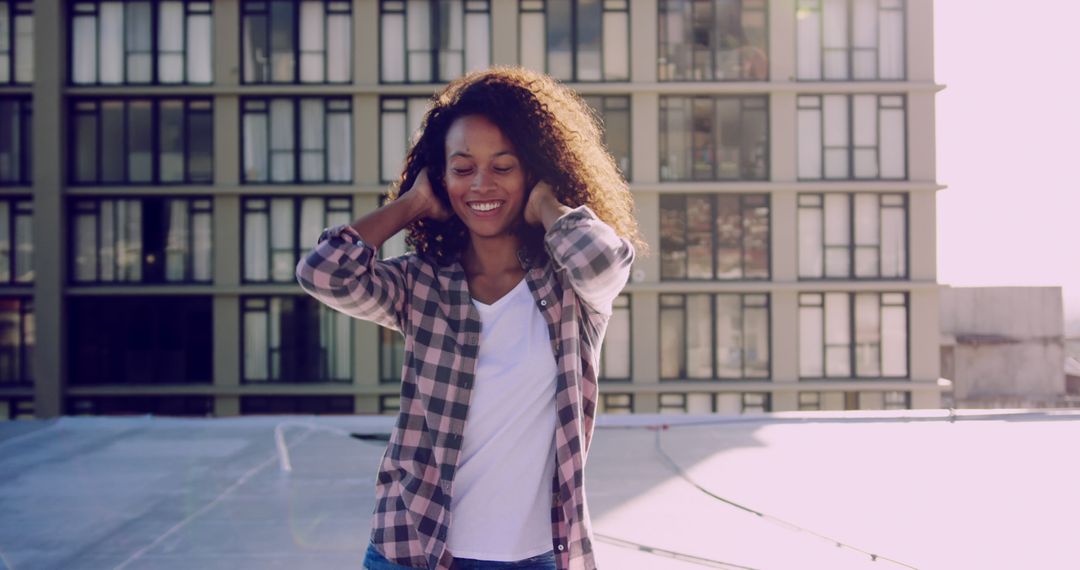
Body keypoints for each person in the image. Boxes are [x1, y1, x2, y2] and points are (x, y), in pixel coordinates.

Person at [295, 65, 646, 570]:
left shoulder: (571, 289)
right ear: (442, 177)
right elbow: (323, 273)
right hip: (415, 550)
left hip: (540, 555)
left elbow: (603, 258)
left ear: (535, 170)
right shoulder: (420, 286)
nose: (482, 184)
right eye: (463, 169)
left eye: (504, 166)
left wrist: (547, 203)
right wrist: (411, 203)